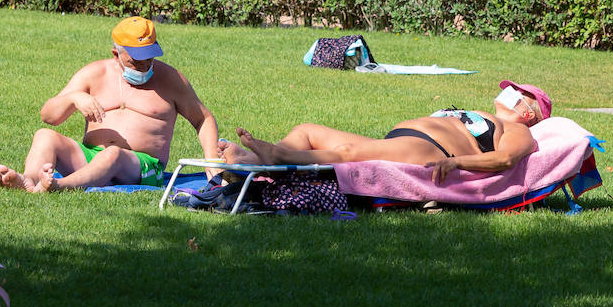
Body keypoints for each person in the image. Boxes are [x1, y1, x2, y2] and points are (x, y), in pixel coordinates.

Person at [0, 16, 222, 192]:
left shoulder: (171, 79)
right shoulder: (95, 73)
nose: (144, 66)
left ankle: (59, 187)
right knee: (45, 135)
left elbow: (203, 118)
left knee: (113, 154)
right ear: (116, 54)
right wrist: (74, 98)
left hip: (143, 166)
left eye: (149, 58)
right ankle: (30, 180)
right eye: (135, 61)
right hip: (91, 155)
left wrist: (212, 163)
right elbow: (49, 116)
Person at [221, 81, 552, 185]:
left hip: (431, 150)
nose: (506, 92)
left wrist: (458, 163)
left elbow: (506, 158)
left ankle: (276, 157)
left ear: (527, 110)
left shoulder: (518, 131)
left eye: (515, 93)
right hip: (402, 139)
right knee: (307, 130)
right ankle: (257, 161)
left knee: (347, 156)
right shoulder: (480, 113)